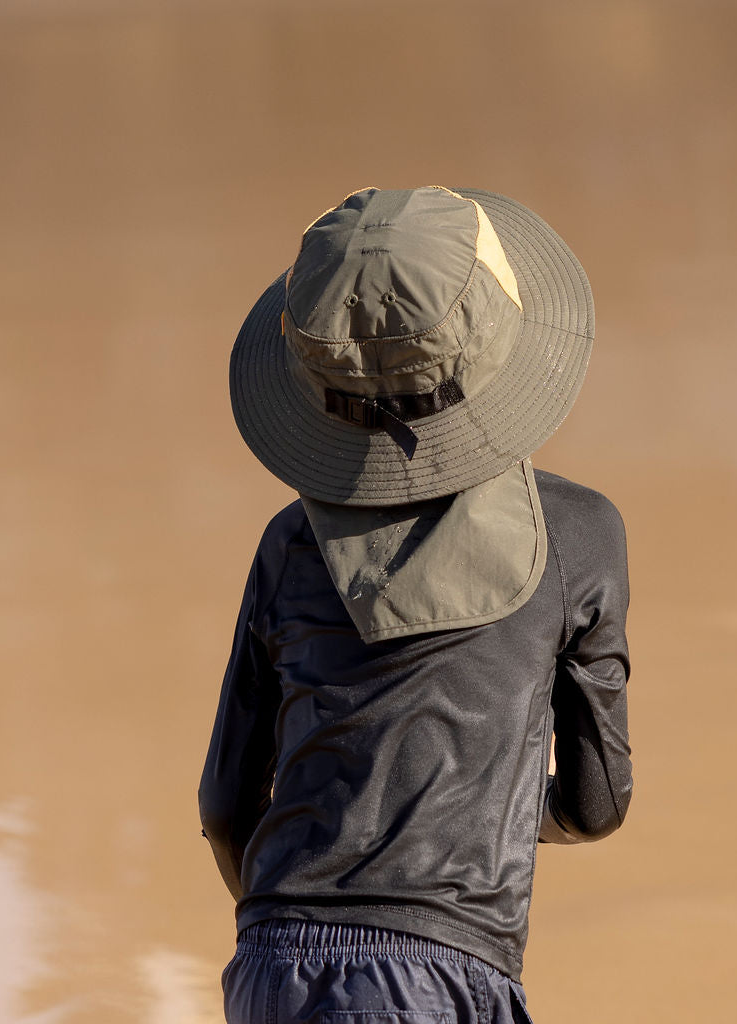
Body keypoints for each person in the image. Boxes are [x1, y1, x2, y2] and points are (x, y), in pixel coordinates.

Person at [199, 185, 632, 1024]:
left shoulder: (290, 543)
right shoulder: (579, 533)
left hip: (269, 965)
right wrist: (466, 813)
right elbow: (596, 804)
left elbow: (225, 808)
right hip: (443, 972)